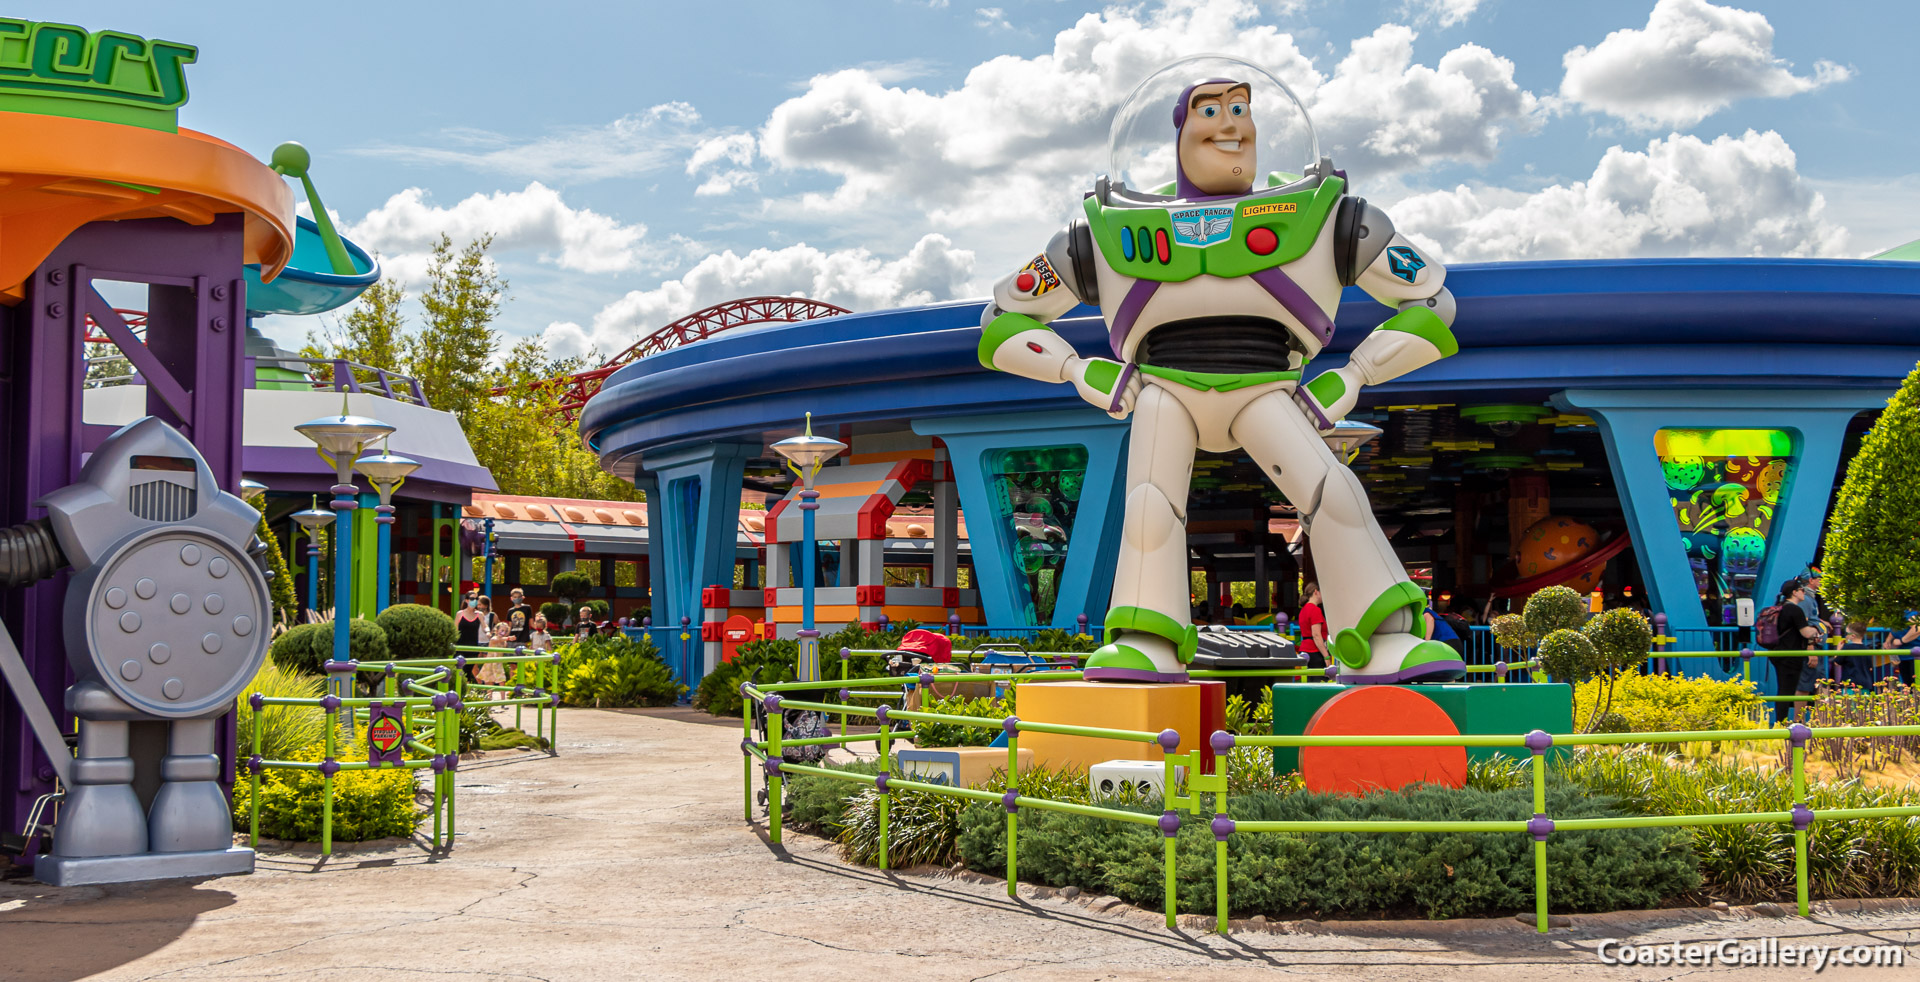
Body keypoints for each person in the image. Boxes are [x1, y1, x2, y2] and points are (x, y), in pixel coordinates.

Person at [1763, 579, 1822, 723]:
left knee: (1784, 689)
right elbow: (1806, 632)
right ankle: (1781, 724)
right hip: (1791, 655)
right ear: (1794, 592)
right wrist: (1817, 631)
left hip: (1777, 654)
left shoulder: (1780, 608)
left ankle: (1781, 723)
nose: (1804, 592)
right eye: (1801, 590)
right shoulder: (1795, 610)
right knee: (1787, 691)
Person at [1297, 582, 1328, 673]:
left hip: (1304, 649)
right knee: (1319, 683)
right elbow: (1316, 635)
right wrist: (1326, 656)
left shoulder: (1303, 610)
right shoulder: (1315, 610)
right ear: (1316, 592)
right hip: (1315, 651)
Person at [1836, 622, 1874, 690]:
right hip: (1865, 683)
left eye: (1846, 634)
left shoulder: (1847, 648)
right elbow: (1870, 667)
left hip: (1850, 683)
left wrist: (1838, 649)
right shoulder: (1867, 649)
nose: (1845, 636)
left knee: (1849, 700)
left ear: (1853, 636)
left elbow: (1836, 662)